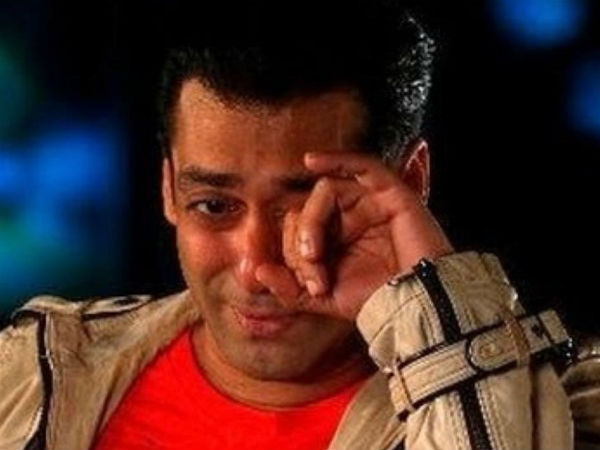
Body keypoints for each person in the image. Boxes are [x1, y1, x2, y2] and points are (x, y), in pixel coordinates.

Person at [0, 1, 598, 449]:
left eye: (306, 209)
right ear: (168, 188)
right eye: (215, 205)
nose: (256, 267)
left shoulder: (567, 406)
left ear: (410, 183)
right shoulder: (32, 374)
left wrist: (436, 301)